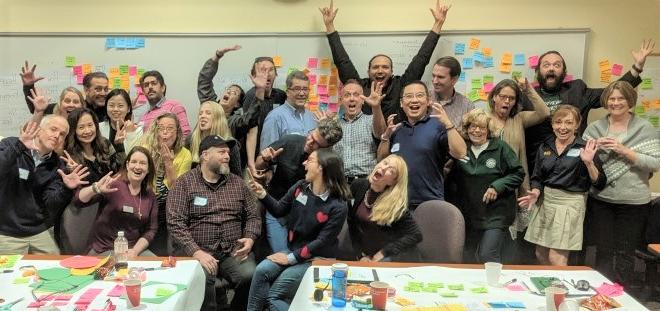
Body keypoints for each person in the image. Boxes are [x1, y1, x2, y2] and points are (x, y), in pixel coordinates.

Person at [247, 148, 351, 311]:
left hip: (317, 259)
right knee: (261, 271)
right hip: (293, 250)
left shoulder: (338, 205)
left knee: (272, 298)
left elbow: (322, 241)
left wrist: (290, 259)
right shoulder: (300, 187)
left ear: (321, 167)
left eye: (309, 160)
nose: (304, 163)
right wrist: (262, 194)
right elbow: (279, 209)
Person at [523, 40, 654, 169]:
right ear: (538, 70)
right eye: (546, 65)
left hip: (572, 166)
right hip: (536, 164)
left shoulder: (577, 90)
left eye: (557, 65)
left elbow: (611, 93)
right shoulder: (527, 95)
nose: (551, 68)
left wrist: (637, 67)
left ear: (563, 71)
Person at [167, 135, 260, 310]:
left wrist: (250, 238)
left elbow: (253, 216)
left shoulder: (238, 184)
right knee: (203, 278)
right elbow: (175, 223)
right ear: (205, 155)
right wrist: (196, 252)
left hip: (232, 250)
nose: (227, 156)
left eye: (228, 152)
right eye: (221, 152)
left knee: (250, 275)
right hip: (198, 251)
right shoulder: (184, 183)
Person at [319, 0, 450, 121]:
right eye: (375, 67)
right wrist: (329, 26)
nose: (380, 70)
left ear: (392, 71)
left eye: (385, 67)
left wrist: (438, 24)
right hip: (366, 143)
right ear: (368, 71)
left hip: (398, 142)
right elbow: (342, 61)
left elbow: (422, 58)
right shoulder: (359, 88)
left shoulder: (402, 85)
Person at [583, 81, 660, 284]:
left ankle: (623, 296)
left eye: (621, 98)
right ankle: (601, 295)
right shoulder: (595, 128)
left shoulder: (644, 127)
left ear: (630, 101)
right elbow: (582, 161)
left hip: (634, 202)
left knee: (626, 253)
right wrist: (593, 151)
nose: (615, 103)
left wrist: (623, 150)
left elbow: (654, 163)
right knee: (602, 251)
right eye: (612, 98)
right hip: (601, 199)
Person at [520, 105, 606, 266]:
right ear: (552, 125)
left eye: (568, 122)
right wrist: (536, 192)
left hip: (570, 203)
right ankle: (548, 287)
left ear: (577, 124)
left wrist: (588, 163)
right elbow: (537, 177)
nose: (563, 127)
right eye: (558, 122)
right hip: (545, 202)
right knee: (540, 253)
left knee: (556, 257)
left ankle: (560, 289)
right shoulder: (545, 146)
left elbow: (600, 182)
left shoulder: (585, 148)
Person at [0, 116, 89, 254]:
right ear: (39, 130)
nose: (56, 136)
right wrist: (20, 146)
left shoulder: (58, 165)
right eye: (53, 129)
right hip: (8, 233)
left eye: (62, 134)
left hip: (40, 231)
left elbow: (50, 202)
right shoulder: (11, 144)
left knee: (54, 270)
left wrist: (67, 188)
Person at [253, 119, 343, 253]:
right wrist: (265, 159)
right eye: (311, 136)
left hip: (305, 216)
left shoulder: (329, 163)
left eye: (316, 143)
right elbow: (258, 164)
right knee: (281, 254)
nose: (310, 142)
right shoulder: (290, 142)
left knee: (298, 256)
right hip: (277, 208)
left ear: (327, 149)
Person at [485, 78, 549, 263]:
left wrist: (528, 89)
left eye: (511, 98)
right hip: (490, 183)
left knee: (513, 235)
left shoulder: (518, 119)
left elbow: (544, 112)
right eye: (503, 96)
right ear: (494, 97)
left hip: (516, 184)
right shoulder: (483, 118)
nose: (506, 101)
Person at [377, 80, 467, 210]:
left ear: (428, 100)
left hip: (430, 202)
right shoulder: (397, 129)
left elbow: (461, 153)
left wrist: (448, 124)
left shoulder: (438, 126)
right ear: (402, 103)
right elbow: (381, 159)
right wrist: (385, 137)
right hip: (398, 203)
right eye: (409, 96)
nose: (414, 100)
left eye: (419, 95)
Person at [454, 109, 525, 263]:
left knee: (487, 255)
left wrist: (497, 186)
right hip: (469, 214)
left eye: (482, 127)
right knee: (467, 257)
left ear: (488, 130)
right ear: (466, 129)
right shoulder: (462, 148)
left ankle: (495, 285)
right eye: (472, 126)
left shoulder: (500, 147)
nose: (477, 130)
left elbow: (518, 173)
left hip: (495, 215)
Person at [74, 146, 157, 257]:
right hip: (104, 249)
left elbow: (151, 229)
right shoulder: (113, 183)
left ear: (148, 169)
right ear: (127, 165)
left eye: (142, 163)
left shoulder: (150, 194)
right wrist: (95, 188)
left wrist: (135, 251)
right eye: (134, 162)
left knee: (159, 267)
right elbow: (78, 201)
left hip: (133, 250)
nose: (137, 167)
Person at [347, 154, 423, 262]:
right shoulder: (358, 186)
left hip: (396, 257)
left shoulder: (395, 203)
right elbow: (352, 224)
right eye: (385, 162)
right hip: (369, 255)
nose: (383, 167)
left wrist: (383, 253)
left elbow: (415, 234)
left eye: (391, 170)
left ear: (392, 182)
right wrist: (360, 254)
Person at [142, 112, 192, 255]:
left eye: (170, 128)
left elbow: (177, 191)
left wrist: (168, 163)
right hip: (147, 203)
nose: (165, 132)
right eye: (161, 128)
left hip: (170, 206)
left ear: (177, 133)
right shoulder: (146, 149)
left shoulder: (185, 154)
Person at [197, 45, 262, 142]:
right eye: (228, 89)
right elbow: (204, 81)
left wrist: (260, 90)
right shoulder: (210, 105)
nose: (228, 92)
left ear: (237, 104)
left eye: (234, 93)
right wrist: (217, 56)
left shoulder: (234, 121)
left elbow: (249, 119)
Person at [334, 80, 386, 183]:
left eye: (356, 95)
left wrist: (376, 107)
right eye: (347, 95)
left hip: (366, 181)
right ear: (341, 100)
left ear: (363, 100)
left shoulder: (371, 119)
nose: (352, 98)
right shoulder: (334, 125)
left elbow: (382, 134)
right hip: (340, 183)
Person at [21, 61, 110, 122]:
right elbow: (36, 108)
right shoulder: (74, 106)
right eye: (98, 89)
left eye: (105, 89)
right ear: (86, 90)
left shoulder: (111, 109)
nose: (103, 93)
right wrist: (28, 86)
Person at [259, 70, 318, 149]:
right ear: (287, 92)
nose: (301, 93)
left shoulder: (312, 117)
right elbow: (266, 155)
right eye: (297, 89)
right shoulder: (274, 117)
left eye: (305, 89)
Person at [187, 101, 241, 175]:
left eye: (208, 113)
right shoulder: (191, 140)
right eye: (200, 113)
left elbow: (237, 177)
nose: (202, 116)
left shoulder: (230, 144)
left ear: (218, 118)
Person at [138, 70, 191, 136]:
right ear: (143, 91)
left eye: (154, 83)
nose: (150, 87)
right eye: (146, 85)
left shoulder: (174, 106)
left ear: (163, 88)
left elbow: (186, 134)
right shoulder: (143, 117)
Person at [430, 56, 474, 127]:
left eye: (440, 77)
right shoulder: (424, 99)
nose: (435, 81)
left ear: (454, 79)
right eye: (433, 76)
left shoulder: (467, 106)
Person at [98, 89, 144, 155]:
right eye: (111, 105)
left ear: (128, 109)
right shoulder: (99, 128)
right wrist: (115, 144)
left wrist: (131, 134)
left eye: (120, 106)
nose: (115, 109)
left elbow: (136, 157)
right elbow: (99, 157)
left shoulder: (137, 130)